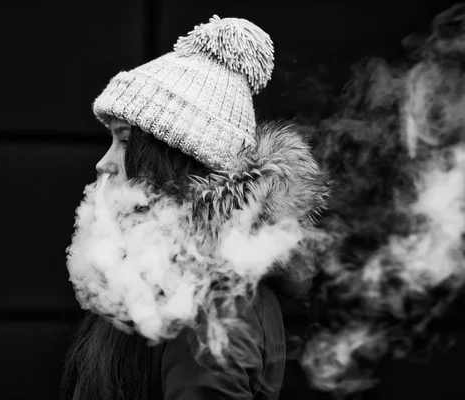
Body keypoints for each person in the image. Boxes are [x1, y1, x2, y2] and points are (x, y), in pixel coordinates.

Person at [60, 15, 327, 400]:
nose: (105, 162)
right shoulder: (170, 274)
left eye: (124, 141)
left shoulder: (211, 298)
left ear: (171, 160)